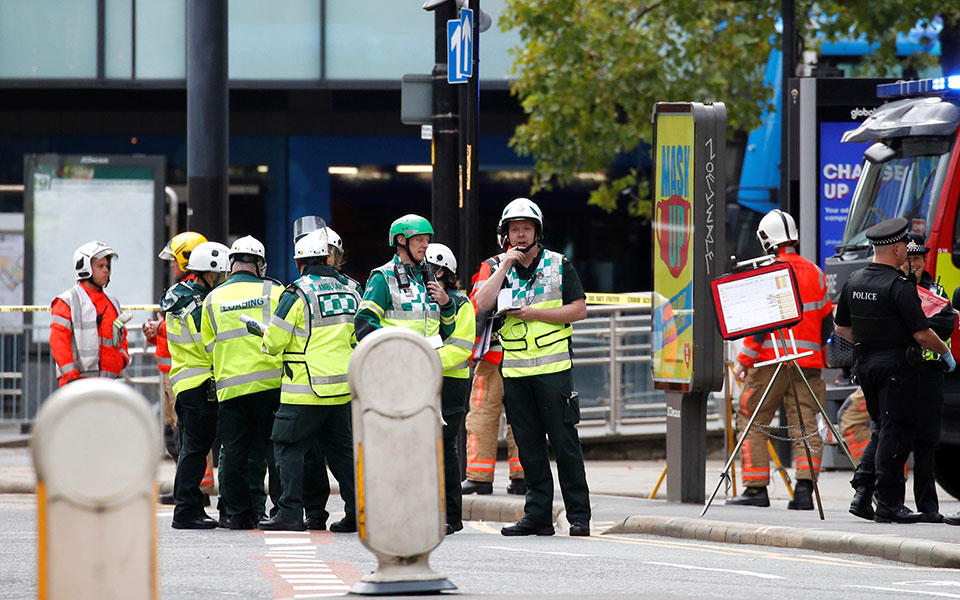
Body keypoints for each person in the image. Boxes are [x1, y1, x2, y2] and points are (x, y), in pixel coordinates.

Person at [473, 197, 591, 537]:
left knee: (565, 445)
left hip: (554, 371)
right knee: (529, 448)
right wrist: (504, 267)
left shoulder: (558, 264)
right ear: (505, 235)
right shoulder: (497, 266)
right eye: (514, 230)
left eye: (526, 229)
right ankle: (537, 515)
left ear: (537, 232)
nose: (521, 235)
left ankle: (579, 516)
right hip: (516, 373)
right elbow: (481, 303)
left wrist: (534, 314)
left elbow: (579, 310)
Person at [834, 218, 955, 524]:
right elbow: (922, 334)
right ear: (898, 250)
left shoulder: (855, 280)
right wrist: (945, 353)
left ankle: (863, 492)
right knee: (894, 433)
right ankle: (888, 502)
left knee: (883, 427)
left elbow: (841, 328)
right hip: (896, 369)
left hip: (866, 366)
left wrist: (870, 342)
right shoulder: (898, 287)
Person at [726, 209, 833, 510]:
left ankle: (756, 489)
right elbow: (827, 322)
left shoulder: (766, 273)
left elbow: (760, 327)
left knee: (753, 421)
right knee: (806, 425)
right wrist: (819, 355)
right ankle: (804, 491)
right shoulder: (816, 272)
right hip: (808, 364)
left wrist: (743, 361)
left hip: (771, 363)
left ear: (765, 239)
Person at [256, 229, 359, 532]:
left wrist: (264, 338)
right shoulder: (352, 290)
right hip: (341, 388)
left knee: (287, 447)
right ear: (329, 258)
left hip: (304, 389)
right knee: (342, 455)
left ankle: (289, 512)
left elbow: (275, 341)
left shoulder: (296, 293)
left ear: (299, 262)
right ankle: (358, 513)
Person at [201, 235, 284, 530]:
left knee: (235, 451)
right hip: (271, 384)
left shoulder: (213, 298)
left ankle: (237, 514)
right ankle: (281, 511)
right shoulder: (275, 291)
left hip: (232, 387)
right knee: (276, 450)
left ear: (231, 263)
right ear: (260, 264)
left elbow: (208, 345)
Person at [166, 241, 230, 529]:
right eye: (222, 275)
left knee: (191, 447)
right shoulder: (200, 305)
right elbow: (210, 345)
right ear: (210, 274)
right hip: (201, 381)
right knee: (195, 448)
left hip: (185, 381)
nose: (224, 280)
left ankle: (189, 506)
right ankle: (186, 510)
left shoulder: (180, 297)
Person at [146, 231, 211, 505]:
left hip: (184, 374)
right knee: (174, 433)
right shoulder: (182, 291)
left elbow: (189, 330)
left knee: (184, 435)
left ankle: (193, 490)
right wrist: (156, 332)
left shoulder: (189, 294)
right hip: (172, 372)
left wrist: (159, 327)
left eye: (175, 260)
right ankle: (186, 487)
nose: (172, 265)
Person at [899, 233, 955, 522]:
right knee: (896, 440)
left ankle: (928, 507)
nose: (913, 264)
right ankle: (893, 503)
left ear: (924, 259)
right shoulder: (895, 287)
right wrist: (922, 326)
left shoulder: (937, 289)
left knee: (928, 442)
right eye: (908, 258)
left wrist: (917, 326)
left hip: (931, 373)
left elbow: (945, 324)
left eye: (918, 258)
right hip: (901, 373)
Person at [462, 250, 526, 497]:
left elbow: (478, 310)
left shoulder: (491, 266)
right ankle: (522, 477)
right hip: (526, 358)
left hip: (493, 357)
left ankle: (479, 477)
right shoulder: (544, 264)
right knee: (523, 418)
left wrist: (471, 352)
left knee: (483, 416)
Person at [425, 243, 476, 535]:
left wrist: (424, 358)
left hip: (450, 382)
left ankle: (451, 515)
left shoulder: (460, 302)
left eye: (427, 269)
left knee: (444, 446)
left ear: (442, 271)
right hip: (423, 377)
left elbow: (462, 347)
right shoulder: (419, 301)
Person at [354, 214, 456, 343]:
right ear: (402, 240)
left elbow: (446, 332)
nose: (426, 245)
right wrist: (396, 347)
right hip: (396, 355)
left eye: (427, 240)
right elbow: (363, 324)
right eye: (419, 240)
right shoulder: (383, 277)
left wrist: (447, 305)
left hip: (428, 355)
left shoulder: (429, 278)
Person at [50, 241, 129, 386]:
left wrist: (122, 359)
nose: (106, 270)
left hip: (110, 383)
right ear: (85, 267)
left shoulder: (113, 303)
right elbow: (59, 342)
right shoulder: (67, 301)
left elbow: (122, 337)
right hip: (77, 384)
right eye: (100, 266)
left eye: (107, 266)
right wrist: (71, 376)